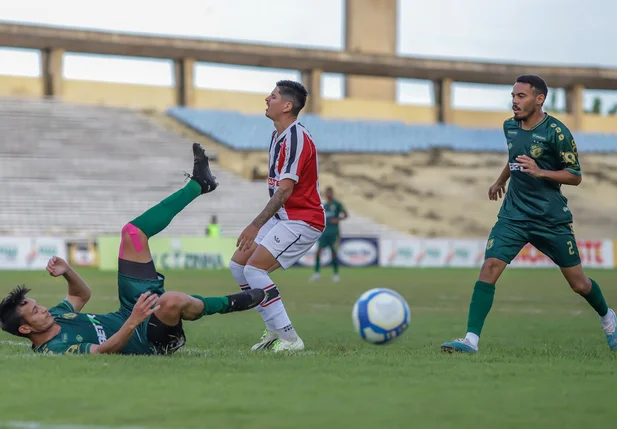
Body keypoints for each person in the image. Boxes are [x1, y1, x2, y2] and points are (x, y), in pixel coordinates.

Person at [0, 143, 265, 355]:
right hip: (148, 339)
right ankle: (231, 303)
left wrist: (68, 270)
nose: (43, 309)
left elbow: (81, 295)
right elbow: (103, 350)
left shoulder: (56, 315)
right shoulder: (55, 349)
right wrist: (135, 320)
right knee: (170, 301)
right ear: (25, 329)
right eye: (35, 311)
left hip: (129, 312)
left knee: (132, 234)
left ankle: (199, 184)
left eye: (38, 305)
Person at [441, 75, 617, 354]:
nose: (514, 101)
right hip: (514, 214)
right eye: (513, 96)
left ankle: (608, 318)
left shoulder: (557, 133)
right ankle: (470, 340)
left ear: (539, 99)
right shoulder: (510, 126)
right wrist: (500, 180)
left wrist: (540, 171)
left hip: (550, 218)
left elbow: (575, 176)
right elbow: (515, 157)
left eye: (521, 96)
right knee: (490, 268)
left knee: (579, 284)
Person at [230, 80, 326, 353]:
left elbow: (284, 191)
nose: (266, 99)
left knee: (254, 268)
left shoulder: (297, 137)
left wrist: (254, 224)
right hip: (284, 216)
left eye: (272, 96)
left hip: (303, 219)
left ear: (286, 106)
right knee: (238, 265)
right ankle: (273, 331)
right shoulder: (278, 135)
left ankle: (290, 338)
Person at [309, 186, 348, 283]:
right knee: (318, 251)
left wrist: (337, 219)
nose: (328, 194)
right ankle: (317, 273)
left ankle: (335, 274)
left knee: (334, 253)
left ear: (332, 193)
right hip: (324, 232)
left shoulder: (337, 204)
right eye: (327, 193)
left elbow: (346, 215)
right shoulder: (324, 206)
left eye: (330, 192)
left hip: (334, 233)